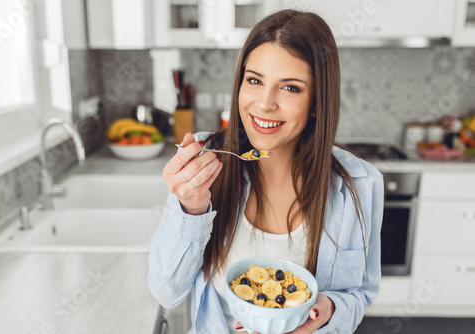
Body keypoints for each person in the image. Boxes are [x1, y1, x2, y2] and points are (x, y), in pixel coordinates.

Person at [148, 9, 384, 334]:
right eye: (254, 80)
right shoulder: (205, 166)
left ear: (317, 101)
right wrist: (190, 209)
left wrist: (327, 312)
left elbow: (359, 295)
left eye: (290, 88)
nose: (264, 104)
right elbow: (167, 292)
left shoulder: (360, 183)